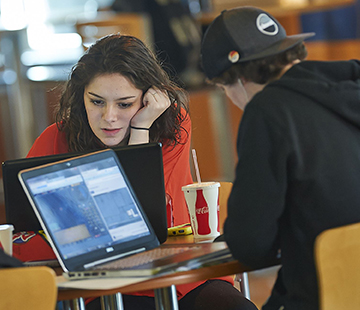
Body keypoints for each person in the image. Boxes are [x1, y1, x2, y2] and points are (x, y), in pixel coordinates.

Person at [27, 34, 257, 310]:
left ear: (149, 99)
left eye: (124, 104)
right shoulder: (55, 139)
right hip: (98, 285)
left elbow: (143, 217)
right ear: (81, 96)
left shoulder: (171, 127)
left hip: (179, 274)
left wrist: (140, 130)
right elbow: (25, 231)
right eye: (96, 102)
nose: (109, 116)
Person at [200, 6, 360, 310]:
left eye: (223, 88)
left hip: (325, 296)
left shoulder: (267, 111)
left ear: (236, 78)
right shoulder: (350, 85)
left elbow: (250, 245)